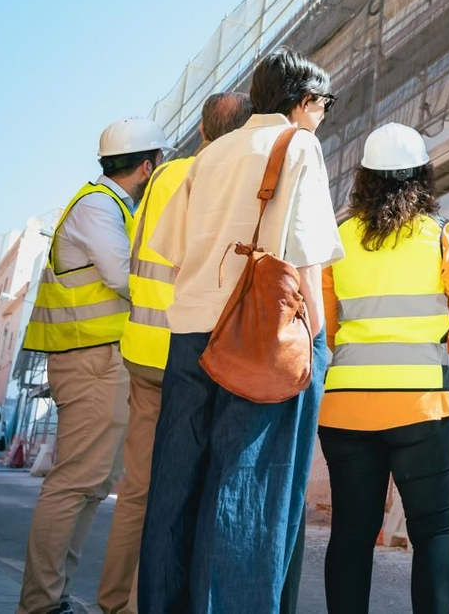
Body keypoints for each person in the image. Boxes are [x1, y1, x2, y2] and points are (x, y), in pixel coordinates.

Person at [138, 48, 344, 613]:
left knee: (177, 486)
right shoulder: (299, 144)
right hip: (260, 335)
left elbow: (173, 250)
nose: (324, 113)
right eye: (323, 102)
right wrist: (318, 344)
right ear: (303, 100)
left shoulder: (210, 153)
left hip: (190, 334)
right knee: (249, 487)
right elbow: (305, 259)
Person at [318, 122, 449, 614]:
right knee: (433, 529)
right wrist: (440, 339)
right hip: (421, 409)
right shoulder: (440, 237)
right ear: (421, 176)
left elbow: (327, 327)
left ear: (364, 179)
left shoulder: (338, 239)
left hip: (347, 412)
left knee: (351, 531)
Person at [96, 92, 252, 614]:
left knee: (139, 488)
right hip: (189, 354)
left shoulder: (163, 176)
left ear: (203, 131)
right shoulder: (221, 178)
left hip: (142, 349)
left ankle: (116, 601)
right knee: (190, 487)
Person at [16, 116, 168, 614]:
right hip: (92, 361)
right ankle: (41, 604)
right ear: (148, 166)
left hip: (95, 358)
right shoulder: (101, 208)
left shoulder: (103, 205)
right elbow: (126, 278)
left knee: (89, 484)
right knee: (76, 482)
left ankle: (51, 599)